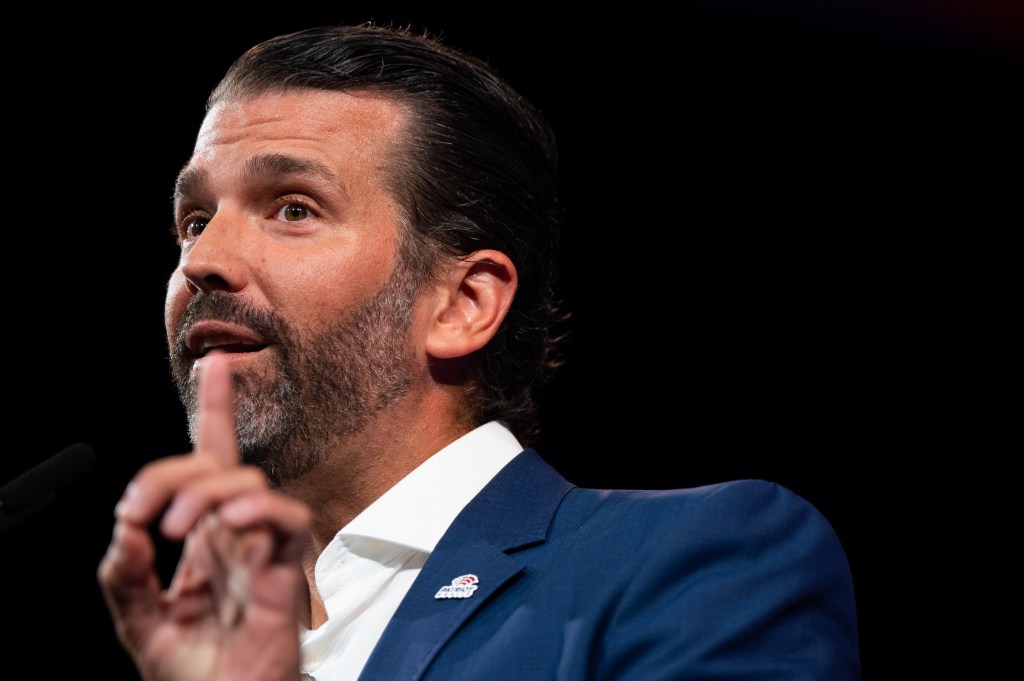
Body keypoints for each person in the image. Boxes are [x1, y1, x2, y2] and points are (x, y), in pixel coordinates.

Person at [96, 22, 860, 681]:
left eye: (294, 208)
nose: (202, 261)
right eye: (194, 220)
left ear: (463, 304)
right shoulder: (191, 637)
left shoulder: (694, 563)